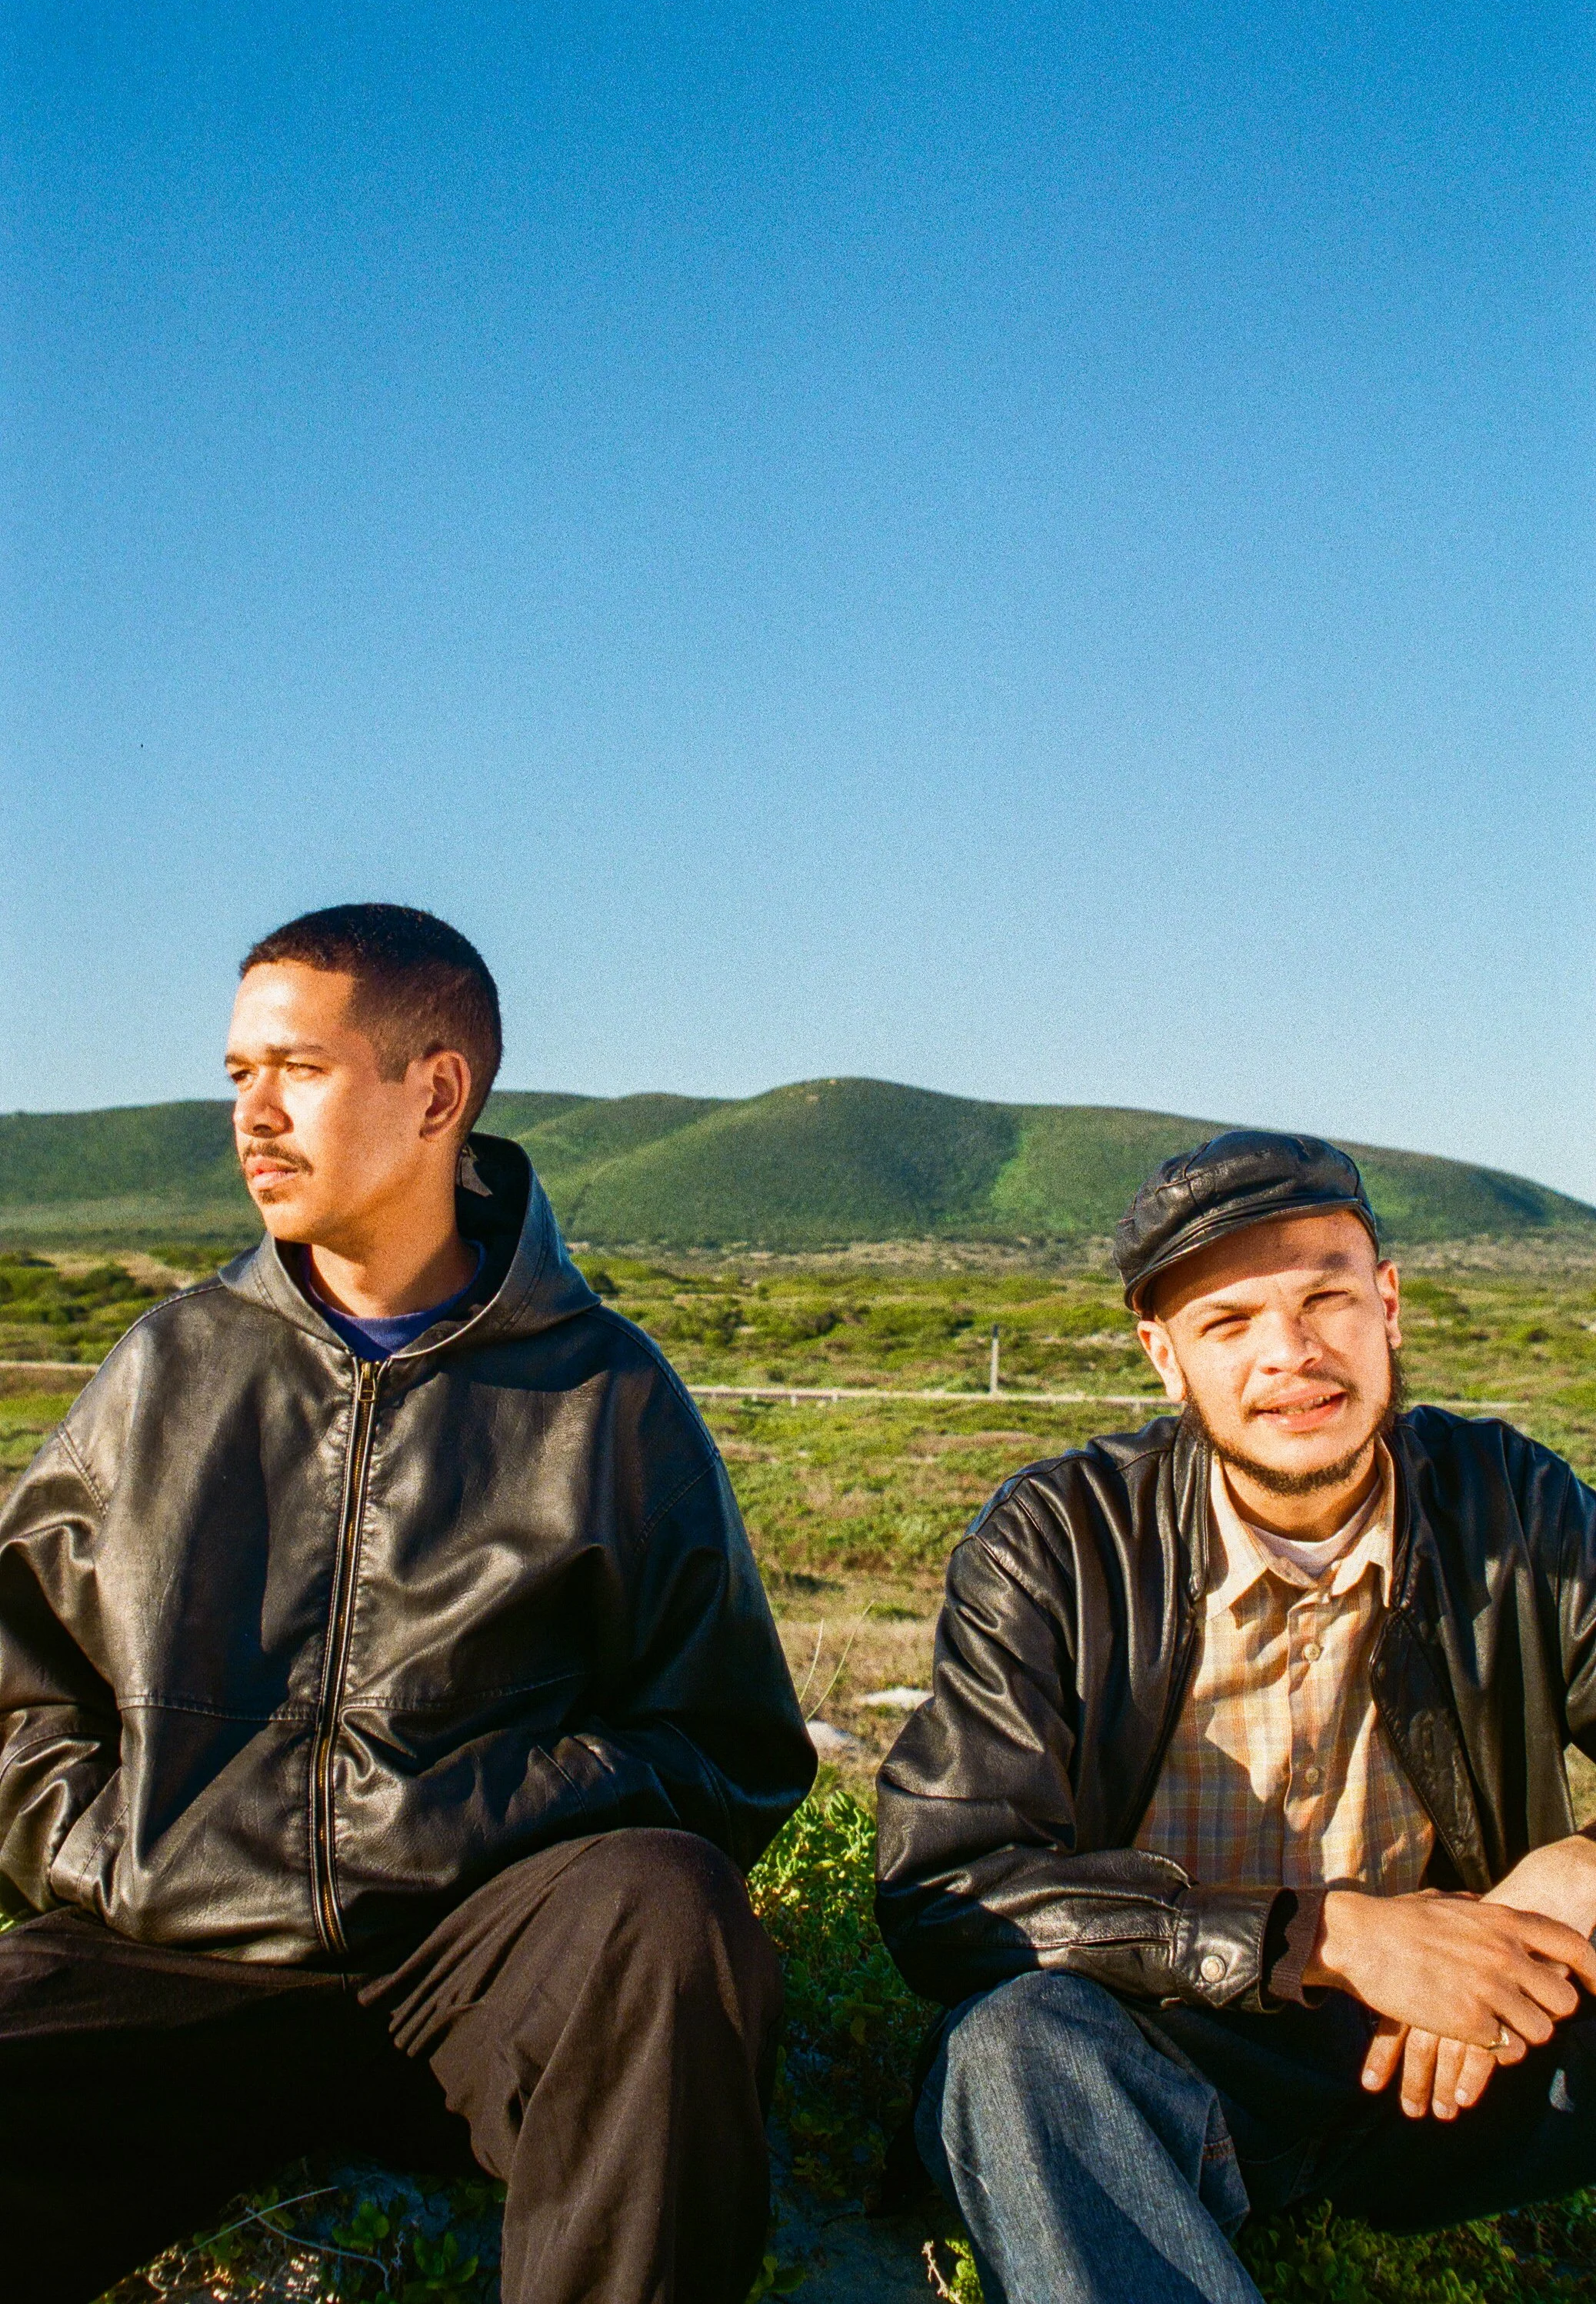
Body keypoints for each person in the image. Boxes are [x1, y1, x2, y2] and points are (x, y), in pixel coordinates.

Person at [0, 902, 815, 2304]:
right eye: (237, 1075)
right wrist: (103, 1864)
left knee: (666, 1907)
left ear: (436, 1090)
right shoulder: (169, 1365)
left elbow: (731, 1749)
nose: (252, 1114)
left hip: (477, 1981)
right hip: (175, 1959)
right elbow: (17, 1684)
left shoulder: (604, 1394)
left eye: (298, 1070)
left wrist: (499, 1810)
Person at [877, 1129, 1596, 2304]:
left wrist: (1568, 1872)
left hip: (1453, 2063)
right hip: (1162, 2067)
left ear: (1388, 1303)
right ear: (1164, 1357)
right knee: (1013, 2047)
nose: (1292, 1354)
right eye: (1229, 1323)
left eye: (1326, 1296)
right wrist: (1326, 1936)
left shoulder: (1510, 1504)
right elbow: (945, 1890)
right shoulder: (1059, 1543)